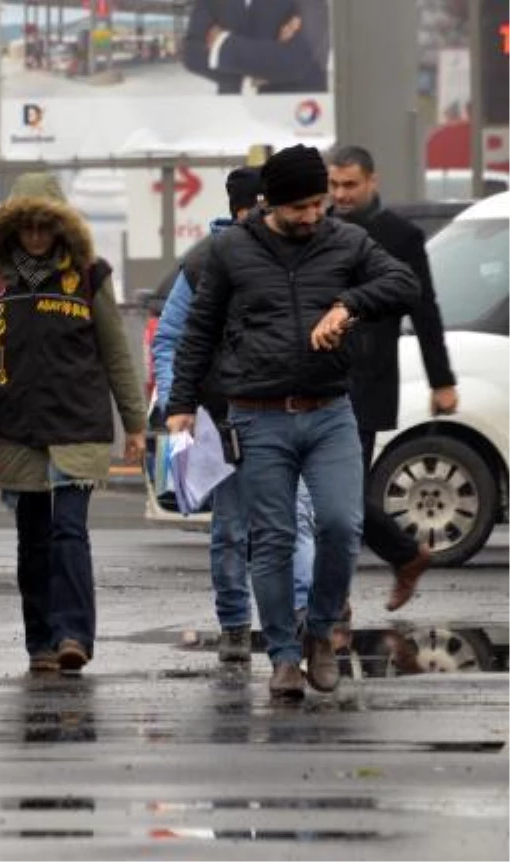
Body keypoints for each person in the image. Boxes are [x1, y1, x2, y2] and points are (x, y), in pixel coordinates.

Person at [167, 145, 419, 699]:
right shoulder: (230, 250)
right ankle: (283, 655)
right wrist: (180, 403)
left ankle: (322, 631)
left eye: (319, 203)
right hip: (258, 419)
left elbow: (404, 283)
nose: (312, 216)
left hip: (329, 412)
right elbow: (199, 331)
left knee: (340, 524)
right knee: (273, 539)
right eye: (301, 207)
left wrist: (348, 305)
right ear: (271, 204)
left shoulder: (345, 240)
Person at [0, 173, 148, 676]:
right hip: (18, 423)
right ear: (10, 227)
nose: (34, 236)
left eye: (43, 226)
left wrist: (136, 425)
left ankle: (74, 633)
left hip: (78, 422)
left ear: (60, 226)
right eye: (24, 226)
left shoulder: (90, 274)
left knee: (69, 529)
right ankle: (40, 643)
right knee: (32, 536)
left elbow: (116, 352)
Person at [152, 166, 315, 662]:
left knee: (290, 519)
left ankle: (295, 616)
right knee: (234, 526)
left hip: (289, 408)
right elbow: (171, 339)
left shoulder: (298, 252)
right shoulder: (206, 262)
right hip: (224, 417)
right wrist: (177, 404)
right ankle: (236, 624)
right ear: (246, 209)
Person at [327, 144, 458, 611]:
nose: (340, 195)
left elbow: (424, 311)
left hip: (366, 382)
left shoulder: (399, 236)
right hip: (316, 379)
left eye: (350, 185)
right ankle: (404, 556)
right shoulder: (317, 229)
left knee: (340, 499)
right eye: (334, 185)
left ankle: (336, 601)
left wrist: (441, 380)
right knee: (330, 499)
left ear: (372, 181)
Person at [183, 0, 328, 94]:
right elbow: (191, 54)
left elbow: (295, 61)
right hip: (234, 116)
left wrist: (222, 44)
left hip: (293, 115)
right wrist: (265, 68)